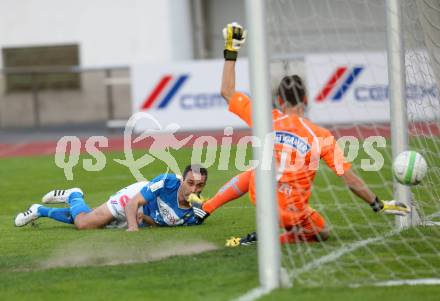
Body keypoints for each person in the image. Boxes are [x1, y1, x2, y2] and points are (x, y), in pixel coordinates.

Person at [192, 22, 410, 245]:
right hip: (291, 212)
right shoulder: (321, 135)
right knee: (322, 232)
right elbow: (350, 180)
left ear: (279, 101)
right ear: (305, 101)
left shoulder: (264, 117)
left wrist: (232, 50)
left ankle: (211, 209)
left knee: (259, 167)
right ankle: (270, 238)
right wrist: (377, 203)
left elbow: (226, 91)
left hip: (260, 199)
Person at [15, 164, 208, 231]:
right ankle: (74, 195)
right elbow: (134, 203)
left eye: (199, 185)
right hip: (135, 197)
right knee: (84, 224)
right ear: (182, 179)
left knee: (95, 223)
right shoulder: (167, 182)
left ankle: (38, 210)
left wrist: (147, 220)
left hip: (143, 213)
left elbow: (162, 223)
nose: (193, 188)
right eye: (190, 182)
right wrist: (133, 227)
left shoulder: (193, 214)